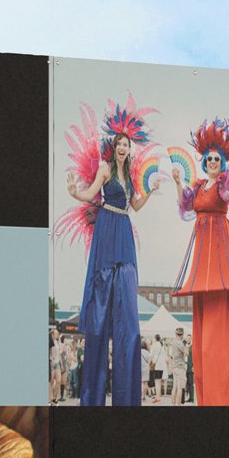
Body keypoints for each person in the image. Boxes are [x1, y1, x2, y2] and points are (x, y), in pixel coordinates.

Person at [59, 100, 159, 406]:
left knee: (127, 316)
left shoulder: (131, 176)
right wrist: (74, 192)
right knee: (101, 314)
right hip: (106, 230)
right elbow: (90, 194)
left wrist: (151, 191)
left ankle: (127, 399)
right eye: (120, 144)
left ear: (130, 150)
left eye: (127, 145)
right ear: (113, 146)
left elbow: (136, 207)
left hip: (124, 232)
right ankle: (92, 398)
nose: (123, 148)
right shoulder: (104, 170)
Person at [170, 120, 229, 406]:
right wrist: (176, 182)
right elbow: (185, 206)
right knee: (199, 342)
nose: (211, 162)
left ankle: (220, 400)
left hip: (218, 258)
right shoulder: (197, 187)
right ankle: (205, 398)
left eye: (216, 159)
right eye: (208, 158)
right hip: (201, 260)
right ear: (203, 161)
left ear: (221, 162)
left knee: (215, 343)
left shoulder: (224, 183)